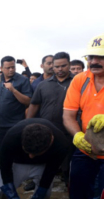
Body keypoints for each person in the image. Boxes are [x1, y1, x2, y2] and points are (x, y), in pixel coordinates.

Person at [63, 33, 104, 199]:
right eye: (91, 57)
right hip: (86, 148)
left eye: (100, 57)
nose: (94, 61)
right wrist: (77, 135)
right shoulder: (80, 79)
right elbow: (68, 115)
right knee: (77, 191)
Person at [27, 52, 74, 186]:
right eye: (56, 66)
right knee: (42, 157)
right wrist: (27, 123)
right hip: (46, 129)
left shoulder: (77, 82)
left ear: (69, 64)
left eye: (63, 66)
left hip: (69, 130)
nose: (60, 69)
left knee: (67, 160)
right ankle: (37, 182)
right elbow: (35, 104)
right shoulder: (43, 84)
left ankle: (68, 183)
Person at [0, 118, 69, 199]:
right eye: (28, 151)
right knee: (0, 192)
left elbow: (51, 170)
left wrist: (41, 191)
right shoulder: (12, 136)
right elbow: (5, 165)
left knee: (45, 192)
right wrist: (10, 191)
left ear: (51, 141)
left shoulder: (62, 144)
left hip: (44, 163)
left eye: (35, 153)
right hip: (17, 161)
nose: (31, 156)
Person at [0, 56, 32, 148]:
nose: (11, 70)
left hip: (14, 123)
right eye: (8, 68)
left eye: (13, 67)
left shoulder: (23, 80)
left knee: (14, 149)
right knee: (1, 149)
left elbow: (28, 101)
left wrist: (13, 90)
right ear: (1, 68)